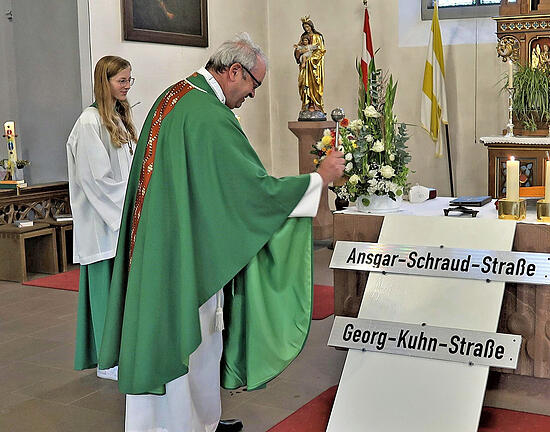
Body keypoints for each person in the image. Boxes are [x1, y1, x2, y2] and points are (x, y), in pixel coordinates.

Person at [97, 33, 345, 432]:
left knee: (179, 339)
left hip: (165, 244)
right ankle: (185, 426)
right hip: (185, 254)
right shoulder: (208, 114)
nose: (251, 95)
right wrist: (317, 179)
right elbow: (249, 192)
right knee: (191, 342)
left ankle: (197, 420)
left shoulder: (174, 97)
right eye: (253, 85)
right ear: (234, 71)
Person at [66, 55, 138, 381]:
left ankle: (120, 352)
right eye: (121, 80)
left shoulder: (117, 119)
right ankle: (107, 362)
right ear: (104, 82)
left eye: (128, 80)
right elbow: (95, 179)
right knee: (105, 292)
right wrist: (128, 207)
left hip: (118, 219)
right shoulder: (89, 122)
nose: (126, 86)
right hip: (103, 223)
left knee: (119, 291)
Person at [294, 16, 326, 114]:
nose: (306, 29)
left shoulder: (318, 37)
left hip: (314, 66)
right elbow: (299, 49)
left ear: (311, 26)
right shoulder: (303, 37)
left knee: (315, 85)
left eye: (308, 27)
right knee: (304, 84)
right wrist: (299, 51)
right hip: (305, 68)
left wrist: (311, 59)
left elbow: (321, 50)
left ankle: (316, 105)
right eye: (305, 27)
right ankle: (306, 104)